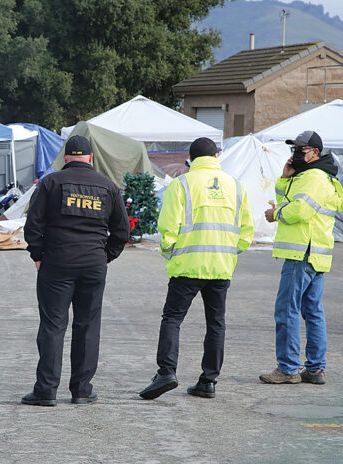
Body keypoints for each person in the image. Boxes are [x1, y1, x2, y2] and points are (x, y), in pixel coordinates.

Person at [139, 137, 253, 400]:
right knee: (216, 324)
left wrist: (170, 253)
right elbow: (246, 233)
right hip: (221, 267)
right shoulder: (235, 186)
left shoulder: (182, 184)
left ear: (190, 158)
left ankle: (166, 372)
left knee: (173, 319)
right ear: (216, 157)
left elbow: (167, 227)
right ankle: (209, 381)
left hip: (187, 266)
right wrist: (227, 253)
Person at [21, 135, 129, 406]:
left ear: (66, 157)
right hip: (93, 265)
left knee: (53, 326)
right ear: (91, 158)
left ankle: (46, 391)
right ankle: (82, 390)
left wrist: (38, 254)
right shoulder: (108, 187)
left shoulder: (50, 183)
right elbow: (121, 231)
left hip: (56, 263)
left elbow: (33, 224)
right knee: (88, 326)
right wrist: (105, 257)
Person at [259, 130, 342, 385]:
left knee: (287, 310)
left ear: (315, 152)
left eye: (301, 150)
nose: (295, 154)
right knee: (312, 311)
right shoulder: (317, 176)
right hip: (315, 253)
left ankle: (287, 368)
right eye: (294, 149)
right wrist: (285, 179)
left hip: (301, 253)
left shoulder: (314, 177)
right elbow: (292, 199)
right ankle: (315, 369)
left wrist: (277, 214)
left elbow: (300, 210)